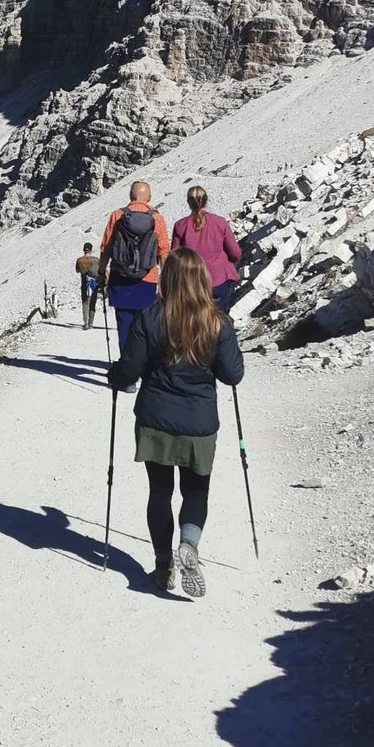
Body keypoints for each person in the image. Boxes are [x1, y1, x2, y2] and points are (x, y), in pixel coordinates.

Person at [111, 247, 245, 596]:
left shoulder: (150, 317)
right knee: (196, 490)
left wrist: (115, 375)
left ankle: (162, 566)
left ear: (167, 279)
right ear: (203, 280)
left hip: (155, 419)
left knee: (160, 491)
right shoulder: (218, 322)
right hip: (199, 424)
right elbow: (233, 375)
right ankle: (188, 544)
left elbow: (129, 370)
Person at [100, 180, 172, 352]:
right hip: (148, 279)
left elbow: (106, 248)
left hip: (120, 278)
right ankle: (143, 365)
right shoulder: (157, 218)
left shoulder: (117, 215)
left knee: (124, 324)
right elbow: (163, 251)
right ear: (149, 197)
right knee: (146, 325)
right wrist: (167, 279)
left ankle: (126, 368)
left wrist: (102, 272)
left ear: (130, 196)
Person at [172, 185, 243, 310]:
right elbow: (235, 252)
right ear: (206, 200)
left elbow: (175, 258)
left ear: (189, 203)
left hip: (192, 282)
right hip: (219, 278)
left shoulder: (180, 225)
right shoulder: (220, 222)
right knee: (219, 319)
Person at [74, 239, 102, 329]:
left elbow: (77, 270)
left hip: (84, 284)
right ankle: (91, 323)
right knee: (92, 303)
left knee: (85, 303)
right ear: (91, 250)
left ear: (84, 250)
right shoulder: (96, 260)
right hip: (94, 284)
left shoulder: (79, 260)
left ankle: (85, 323)